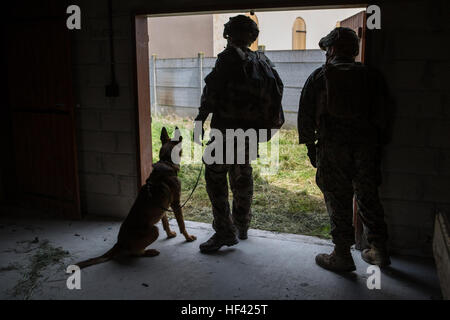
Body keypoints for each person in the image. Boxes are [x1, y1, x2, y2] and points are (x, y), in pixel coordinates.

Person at [297, 27, 393, 272]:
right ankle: (379, 251)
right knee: (368, 196)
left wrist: (310, 148)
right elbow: (385, 115)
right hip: (367, 147)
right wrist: (379, 145)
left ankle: (341, 254)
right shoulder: (373, 76)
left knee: (338, 199)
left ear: (331, 49)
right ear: (353, 50)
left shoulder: (320, 76)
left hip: (332, 147)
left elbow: (306, 116)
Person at [193, 15, 281, 253]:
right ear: (253, 37)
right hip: (249, 133)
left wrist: (200, 119)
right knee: (242, 176)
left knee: (215, 177)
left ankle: (224, 231)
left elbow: (211, 92)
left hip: (225, 132)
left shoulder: (227, 58)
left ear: (228, 34)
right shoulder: (263, 61)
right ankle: (241, 225)